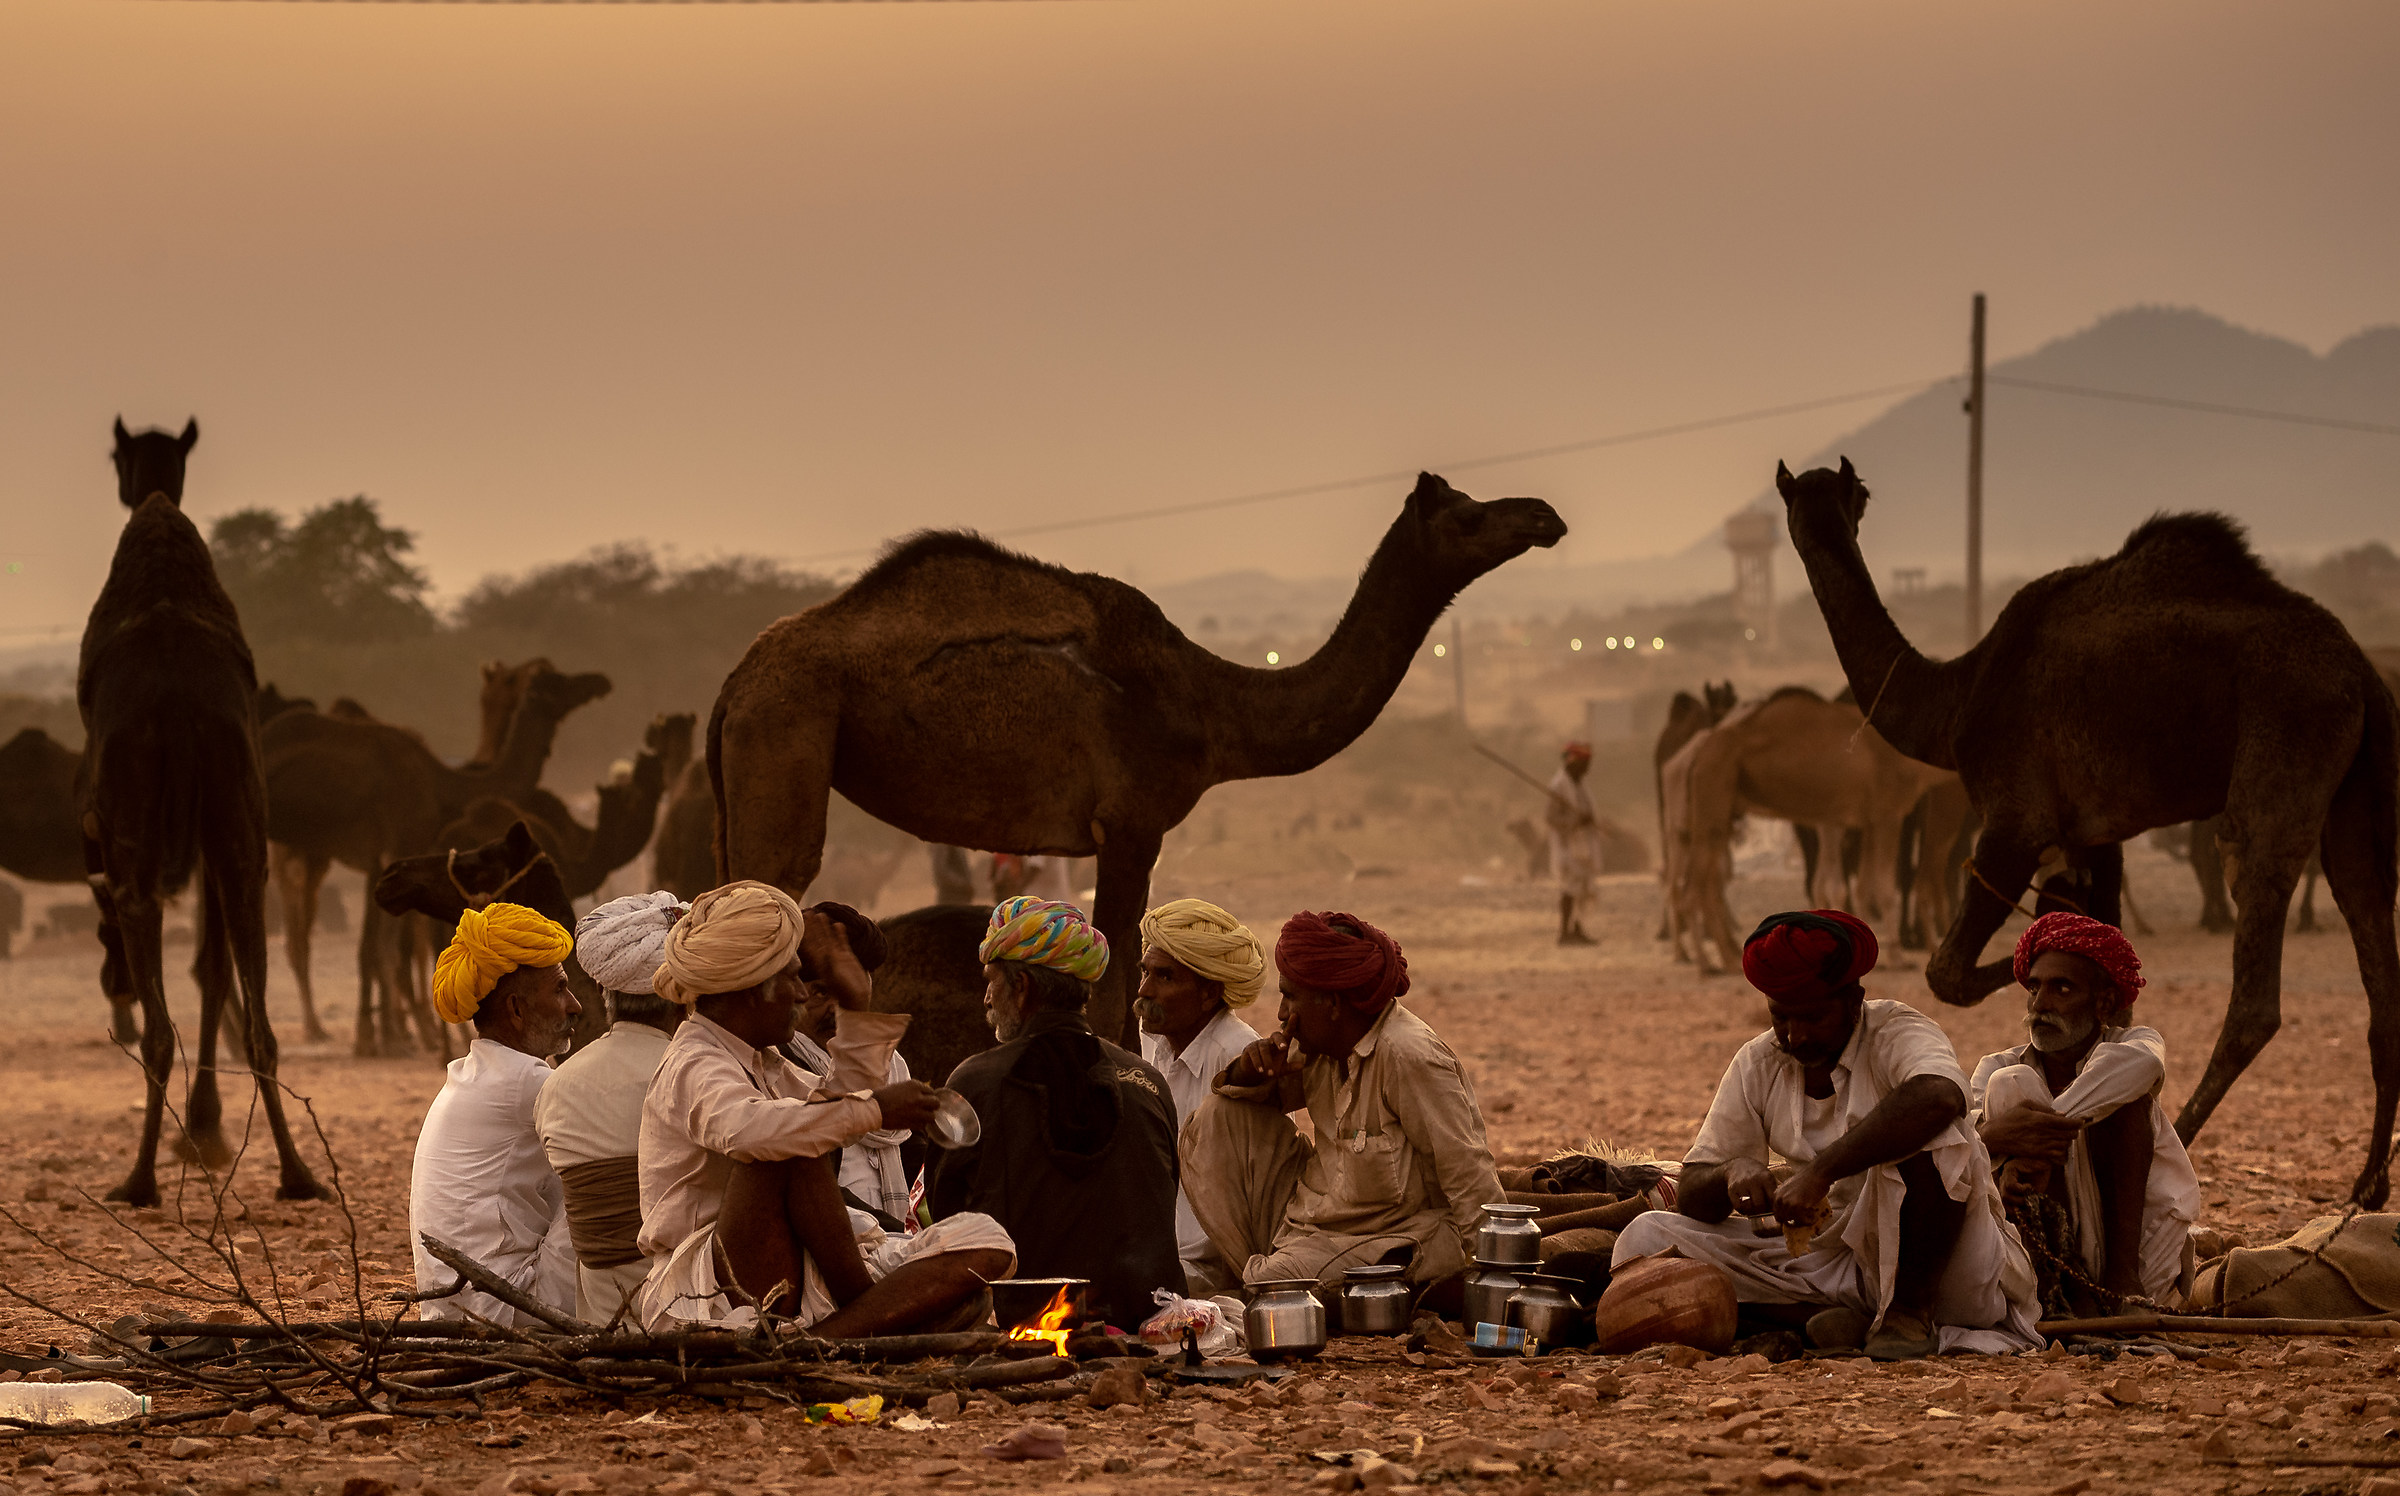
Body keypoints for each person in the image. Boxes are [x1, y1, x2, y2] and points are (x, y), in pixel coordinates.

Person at [1612, 910, 2039, 1358]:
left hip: (1942, 1268)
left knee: (1940, 1138)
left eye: (1813, 1018)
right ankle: (1824, 1322)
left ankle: (1906, 1317)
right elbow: (1694, 1191)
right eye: (1781, 1018)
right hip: (1828, 1259)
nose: (1796, 1036)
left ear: (1854, 999)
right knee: (1647, 1237)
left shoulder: (1897, 1030)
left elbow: (1941, 1097)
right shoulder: (1760, 1061)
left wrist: (1820, 1171)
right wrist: (1732, 1172)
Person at [633, 881, 1014, 1334]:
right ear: (752, 988)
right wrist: (875, 1108)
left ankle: (833, 1334)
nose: (800, 993)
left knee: (989, 1241)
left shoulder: (768, 1062)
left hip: (801, 1272)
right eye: (791, 978)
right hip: (714, 1290)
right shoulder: (693, 1062)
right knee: (785, 1146)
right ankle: (866, 1316)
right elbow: (762, 1131)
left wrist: (856, 1003)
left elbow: (838, 1109)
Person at [1181, 911, 1504, 1304]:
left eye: (1290, 997)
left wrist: (1496, 1280)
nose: (1282, 1014)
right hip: (1313, 1224)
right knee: (1217, 1117)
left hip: (1394, 1234)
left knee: (1278, 1283)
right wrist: (1251, 1070)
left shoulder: (1408, 1056)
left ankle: (1273, 1283)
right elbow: (1258, 1105)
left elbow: (1469, 1175)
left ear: (1332, 1003)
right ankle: (1270, 1275)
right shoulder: (1319, 1048)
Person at [928, 896, 1182, 1331]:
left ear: (1022, 986)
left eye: (993, 981)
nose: (986, 997)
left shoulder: (976, 1081)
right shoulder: (1147, 1082)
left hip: (1024, 1323)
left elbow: (948, 1213)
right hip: (1150, 1320)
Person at [1972, 912, 2201, 1313]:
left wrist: (2030, 1134)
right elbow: (1954, 1145)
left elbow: (2140, 1067)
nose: (2040, 1005)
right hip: (2034, 1262)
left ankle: (2121, 1282)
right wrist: (1996, 1145)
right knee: (2012, 1084)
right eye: (2034, 988)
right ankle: (2060, 1291)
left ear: (2105, 1002)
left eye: (2062, 989)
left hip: (2139, 1263)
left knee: (2128, 1095)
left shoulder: (2136, 1045)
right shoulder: (1995, 1067)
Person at [408, 902, 582, 1327]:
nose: (574, 1005)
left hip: (456, 1310)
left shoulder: (478, 1074)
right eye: (559, 989)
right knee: (612, 1180)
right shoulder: (525, 1082)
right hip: (505, 1310)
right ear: (517, 1010)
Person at [536, 891, 687, 1324]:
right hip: (699, 1317)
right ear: (683, 991)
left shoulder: (555, 1087)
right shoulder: (700, 1078)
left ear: (604, 989)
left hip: (604, 1328)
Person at [782, 901, 917, 1233]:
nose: (836, 1009)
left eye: (849, 990)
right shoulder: (781, 1069)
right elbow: (818, 1186)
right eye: (820, 993)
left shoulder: (892, 1066)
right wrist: (895, 1237)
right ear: (794, 991)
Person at [1546, 742, 1602, 946]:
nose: (1587, 769)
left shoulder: (1580, 785)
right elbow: (1551, 818)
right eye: (1585, 764)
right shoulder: (1558, 785)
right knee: (1569, 889)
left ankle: (1577, 929)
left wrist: (1588, 821)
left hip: (1584, 846)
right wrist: (1575, 822)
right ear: (1574, 763)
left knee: (1583, 889)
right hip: (1567, 846)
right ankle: (1563, 933)